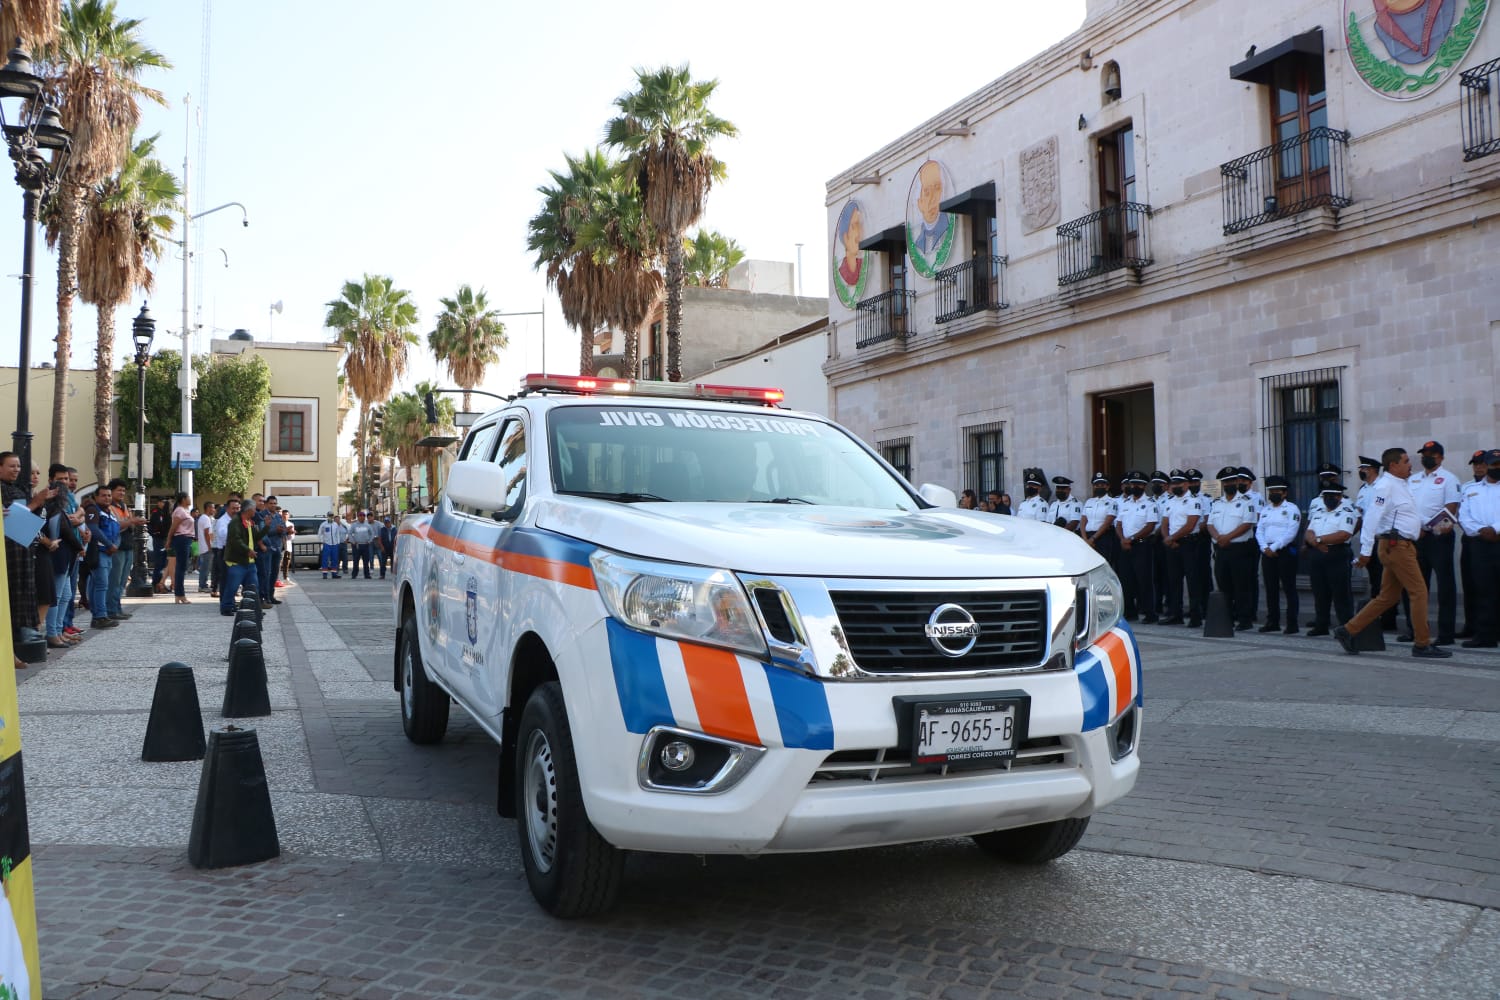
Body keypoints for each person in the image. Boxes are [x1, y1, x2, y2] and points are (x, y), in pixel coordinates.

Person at [1333, 448, 1452, 659]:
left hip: (1400, 545)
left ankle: (1348, 629)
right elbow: (1371, 518)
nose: (1410, 465)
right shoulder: (1385, 486)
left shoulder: (1401, 485)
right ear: (1393, 465)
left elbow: (1406, 515)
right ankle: (1422, 644)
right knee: (1419, 592)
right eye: (1406, 461)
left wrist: (1433, 525)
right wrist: (1365, 551)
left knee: (1387, 597)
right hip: (1396, 546)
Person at [1403, 440, 1459, 645]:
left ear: (1441, 457)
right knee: (1416, 586)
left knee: (1444, 586)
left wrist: (1427, 529)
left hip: (1438, 538)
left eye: (1432, 454)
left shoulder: (1449, 479)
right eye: (1425, 454)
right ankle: (1416, 631)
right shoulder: (1413, 479)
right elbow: (1406, 506)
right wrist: (1414, 530)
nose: (1428, 457)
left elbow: (1450, 509)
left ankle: (1446, 634)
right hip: (1415, 538)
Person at [0, 452, 47, 649]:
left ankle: (26, 627)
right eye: (12, 466)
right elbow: (12, 517)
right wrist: (36, 502)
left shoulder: (16, 488)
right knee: (14, 590)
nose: (17, 470)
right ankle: (18, 632)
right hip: (10, 551)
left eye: (18, 466)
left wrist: (39, 503)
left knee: (26, 588)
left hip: (23, 547)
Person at [1457, 448, 1500, 648]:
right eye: (1493, 464)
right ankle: (1485, 635)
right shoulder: (1472, 489)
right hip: (1480, 544)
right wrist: (1481, 530)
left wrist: (1495, 529)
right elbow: (1464, 517)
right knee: (1484, 590)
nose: (1495, 468)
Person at [1207, 465, 1258, 631]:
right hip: (1221, 549)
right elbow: (1210, 524)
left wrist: (1227, 538)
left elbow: (1247, 524)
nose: (1229, 484)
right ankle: (1226, 618)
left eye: (1232, 481)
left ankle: (1245, 619)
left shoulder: (1246, 502)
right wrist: (1218, 538)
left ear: (1237, 482)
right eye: (1225, 481)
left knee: (1241, 586)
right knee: (1223, 585)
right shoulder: (1217, 503)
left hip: (1239, 549)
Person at [1304, 480, 1357, 636]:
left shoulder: (1347, 512)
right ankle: (1321, 625)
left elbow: (1344, 534)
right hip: (1317, 554)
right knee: (1320, 592)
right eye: (1326, 495)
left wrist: (1319, 540)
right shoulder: (1319, 512)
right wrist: (1314, 542)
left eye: (1333, 495)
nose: (1329, 498)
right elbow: (1309, 531)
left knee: (1341, 593)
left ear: (1340, 497)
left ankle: (1346, 627)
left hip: (1337, 554)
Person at [1353, 455, 1398, 630]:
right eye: (1360, 469)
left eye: (1363, 469)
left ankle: (1389, 619)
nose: (1361, 472)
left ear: (1372, 470)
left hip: (1384, 539)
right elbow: (1361, 516)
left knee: (1386, 580)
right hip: (1369, 542)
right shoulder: (1363, 490)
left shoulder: (1383, 487)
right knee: (1374, 579)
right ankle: (1376, 617)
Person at [1255, 475, 1302, 634]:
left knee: (1289, 588)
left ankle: (1292, 623)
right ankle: (1272, 621)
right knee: (1270, 588)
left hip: (1284, 552)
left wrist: (1274, 547)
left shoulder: (1292, 509)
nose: (1273, 493)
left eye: (1277, 491)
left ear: (1284, 493)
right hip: (1267, 552)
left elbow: (1291, 532)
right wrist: (1264, 548)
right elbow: (1259, 530)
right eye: (1271, 491)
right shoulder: (1265, 510)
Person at [1160, 470, 1204, 627]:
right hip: (1172, 545)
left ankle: (1195, 616)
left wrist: (1172, 538)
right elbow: (1164, 523)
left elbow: (1190, 524)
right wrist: (1167, 538)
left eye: (1179, 483)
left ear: (1186, 484)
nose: (1176, 486)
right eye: (1174, 483)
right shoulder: (1170, 501)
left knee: (1192, 580)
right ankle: (1175, 614)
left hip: (1188, 543)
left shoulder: (1194, 501)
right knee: (1174, 580)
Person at [1114, 471, 1159, 623]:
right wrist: (1122, 539)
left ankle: (1149, 613)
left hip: (1141, 546)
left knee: (1144, 580)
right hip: (1125, 546)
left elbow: (1150, 525)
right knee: (1126, 580)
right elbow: (1118, 524)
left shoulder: (1150, 504)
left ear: (1144, 486)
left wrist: (1132, 539)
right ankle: (1130, 611)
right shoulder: (1125, 504)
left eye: (1138, 484)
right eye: (1133, 484)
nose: (1135, 487)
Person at [1458, 450, 1490, 639]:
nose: (1478, 467)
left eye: (1482, 464)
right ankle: (1471, 625)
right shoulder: (1467, 487)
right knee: (1470, 584)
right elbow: (1462, 515)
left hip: (1492, 540)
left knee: (1488, 586)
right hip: (1471, 540)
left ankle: (1488, 627)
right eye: (1475, 464)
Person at [81, 485, 119, 630]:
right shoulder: (93, 510)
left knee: (98, 584)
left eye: (109, 495)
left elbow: (117, 531)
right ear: (96, 497)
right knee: (101, 585)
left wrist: (115, 544)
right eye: (103, 495)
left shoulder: (110, 512)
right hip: (99, 552)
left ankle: (98, 614)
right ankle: (99, 616)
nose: (107, 498)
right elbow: (93, 529)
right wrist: (109, 544)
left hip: (108, 552)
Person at [218, 498, 262, 616]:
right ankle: (226, 608)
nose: (255, 512)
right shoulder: (235, 522)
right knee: (232, 587)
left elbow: (256, 536)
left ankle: (254, 610)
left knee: (253, 587)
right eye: (254, 510)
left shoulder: (249, 521)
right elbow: (235, 540)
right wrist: (248, 550)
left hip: (249, 561)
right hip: (237, 561)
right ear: (249, 510)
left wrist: (266, 527)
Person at [1082, 472, 1120, 569]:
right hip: (1087, 537)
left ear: (1107, 487)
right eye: (1096, 485)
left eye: (1102, 485)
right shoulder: (1089, 502)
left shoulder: (1112, 502)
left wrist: (1093, 539)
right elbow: (1083, 521)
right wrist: (1085, 539)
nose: (1099, 487)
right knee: (1088, 566)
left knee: (1103, 567)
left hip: (1103, 538)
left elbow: (1107, 523)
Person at [259, 496, 287, 604]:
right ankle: (265, 596)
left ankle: (271, 595)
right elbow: (263, 533)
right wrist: (275, 530)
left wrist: (285, 530)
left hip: (277, 548)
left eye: (275, 503)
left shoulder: (279, 517)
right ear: (266, 504)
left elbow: (283, 529)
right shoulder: (262, 515)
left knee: (275, 573)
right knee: (267, 573)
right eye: (271, 503)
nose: (273, 505)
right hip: (268, 548)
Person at [168, 493, 194, 604]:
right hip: (182, 538)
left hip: (186, 539)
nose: (190, 499)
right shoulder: (179, 511)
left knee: (182, 567)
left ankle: (179, 594)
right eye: (188, 497)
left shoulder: (185, 511)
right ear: (183, 499)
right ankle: (179, 594)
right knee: (181, 567)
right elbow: (173, 527)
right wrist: (169, 540)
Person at [348, 510, 376, 579]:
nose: (362, 517)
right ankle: (354, 574)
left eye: (363, 516)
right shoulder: (354, 525)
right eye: (360, 516)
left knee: (366, 561)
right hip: (357, 545)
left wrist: (369, 541)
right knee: (356, 561)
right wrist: (353, 541)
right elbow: (349, 533)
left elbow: (372, 534)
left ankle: (367, 575)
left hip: (365, 545)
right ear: (358, 517)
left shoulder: (367, 525)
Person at [318, 511, 345, 578]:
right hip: (327, 544)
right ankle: (325, 574)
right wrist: (322, 541)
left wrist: (338, 542)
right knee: (325, 559)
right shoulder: (323, 524)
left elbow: (337, 534)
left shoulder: (335, 524)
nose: (331, 517)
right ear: (327, 516)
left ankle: (334, 573)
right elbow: (320, 533)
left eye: (332, 516)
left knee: (335, 559)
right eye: (329, 515)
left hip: (335, 544)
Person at [196, 502, 215, 593]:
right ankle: (203, 585)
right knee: (206, 567)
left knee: (206, 567)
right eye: (212, 508)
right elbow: (207, 533)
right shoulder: (206, 518)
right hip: (207, 547)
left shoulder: (204, 518)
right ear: (208, 508)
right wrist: (210, 546)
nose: (214, 510)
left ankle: (204, 584)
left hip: (204, 546)